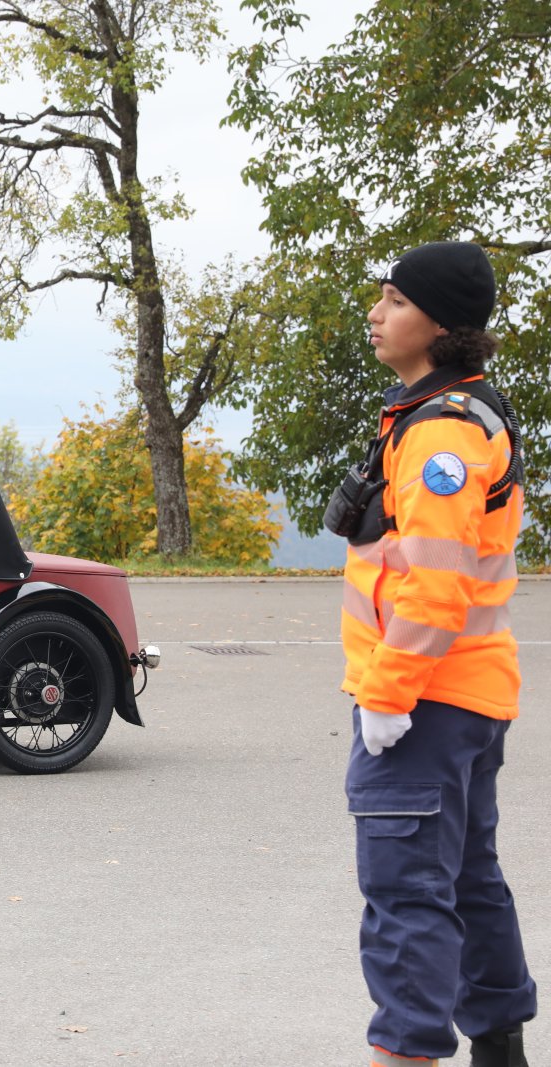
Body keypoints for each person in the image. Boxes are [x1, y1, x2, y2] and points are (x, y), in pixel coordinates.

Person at [336, 242, 534, 1067]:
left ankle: (406, 1052)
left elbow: (434, 587)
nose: (376, 313)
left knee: (408, 888)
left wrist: (387, 694)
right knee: (466, 876)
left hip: (425, 699)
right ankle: (499, 1044)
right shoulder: (454, 411)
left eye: (395, 300)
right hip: (466, 694)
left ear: (441, 323)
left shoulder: (441, 433)